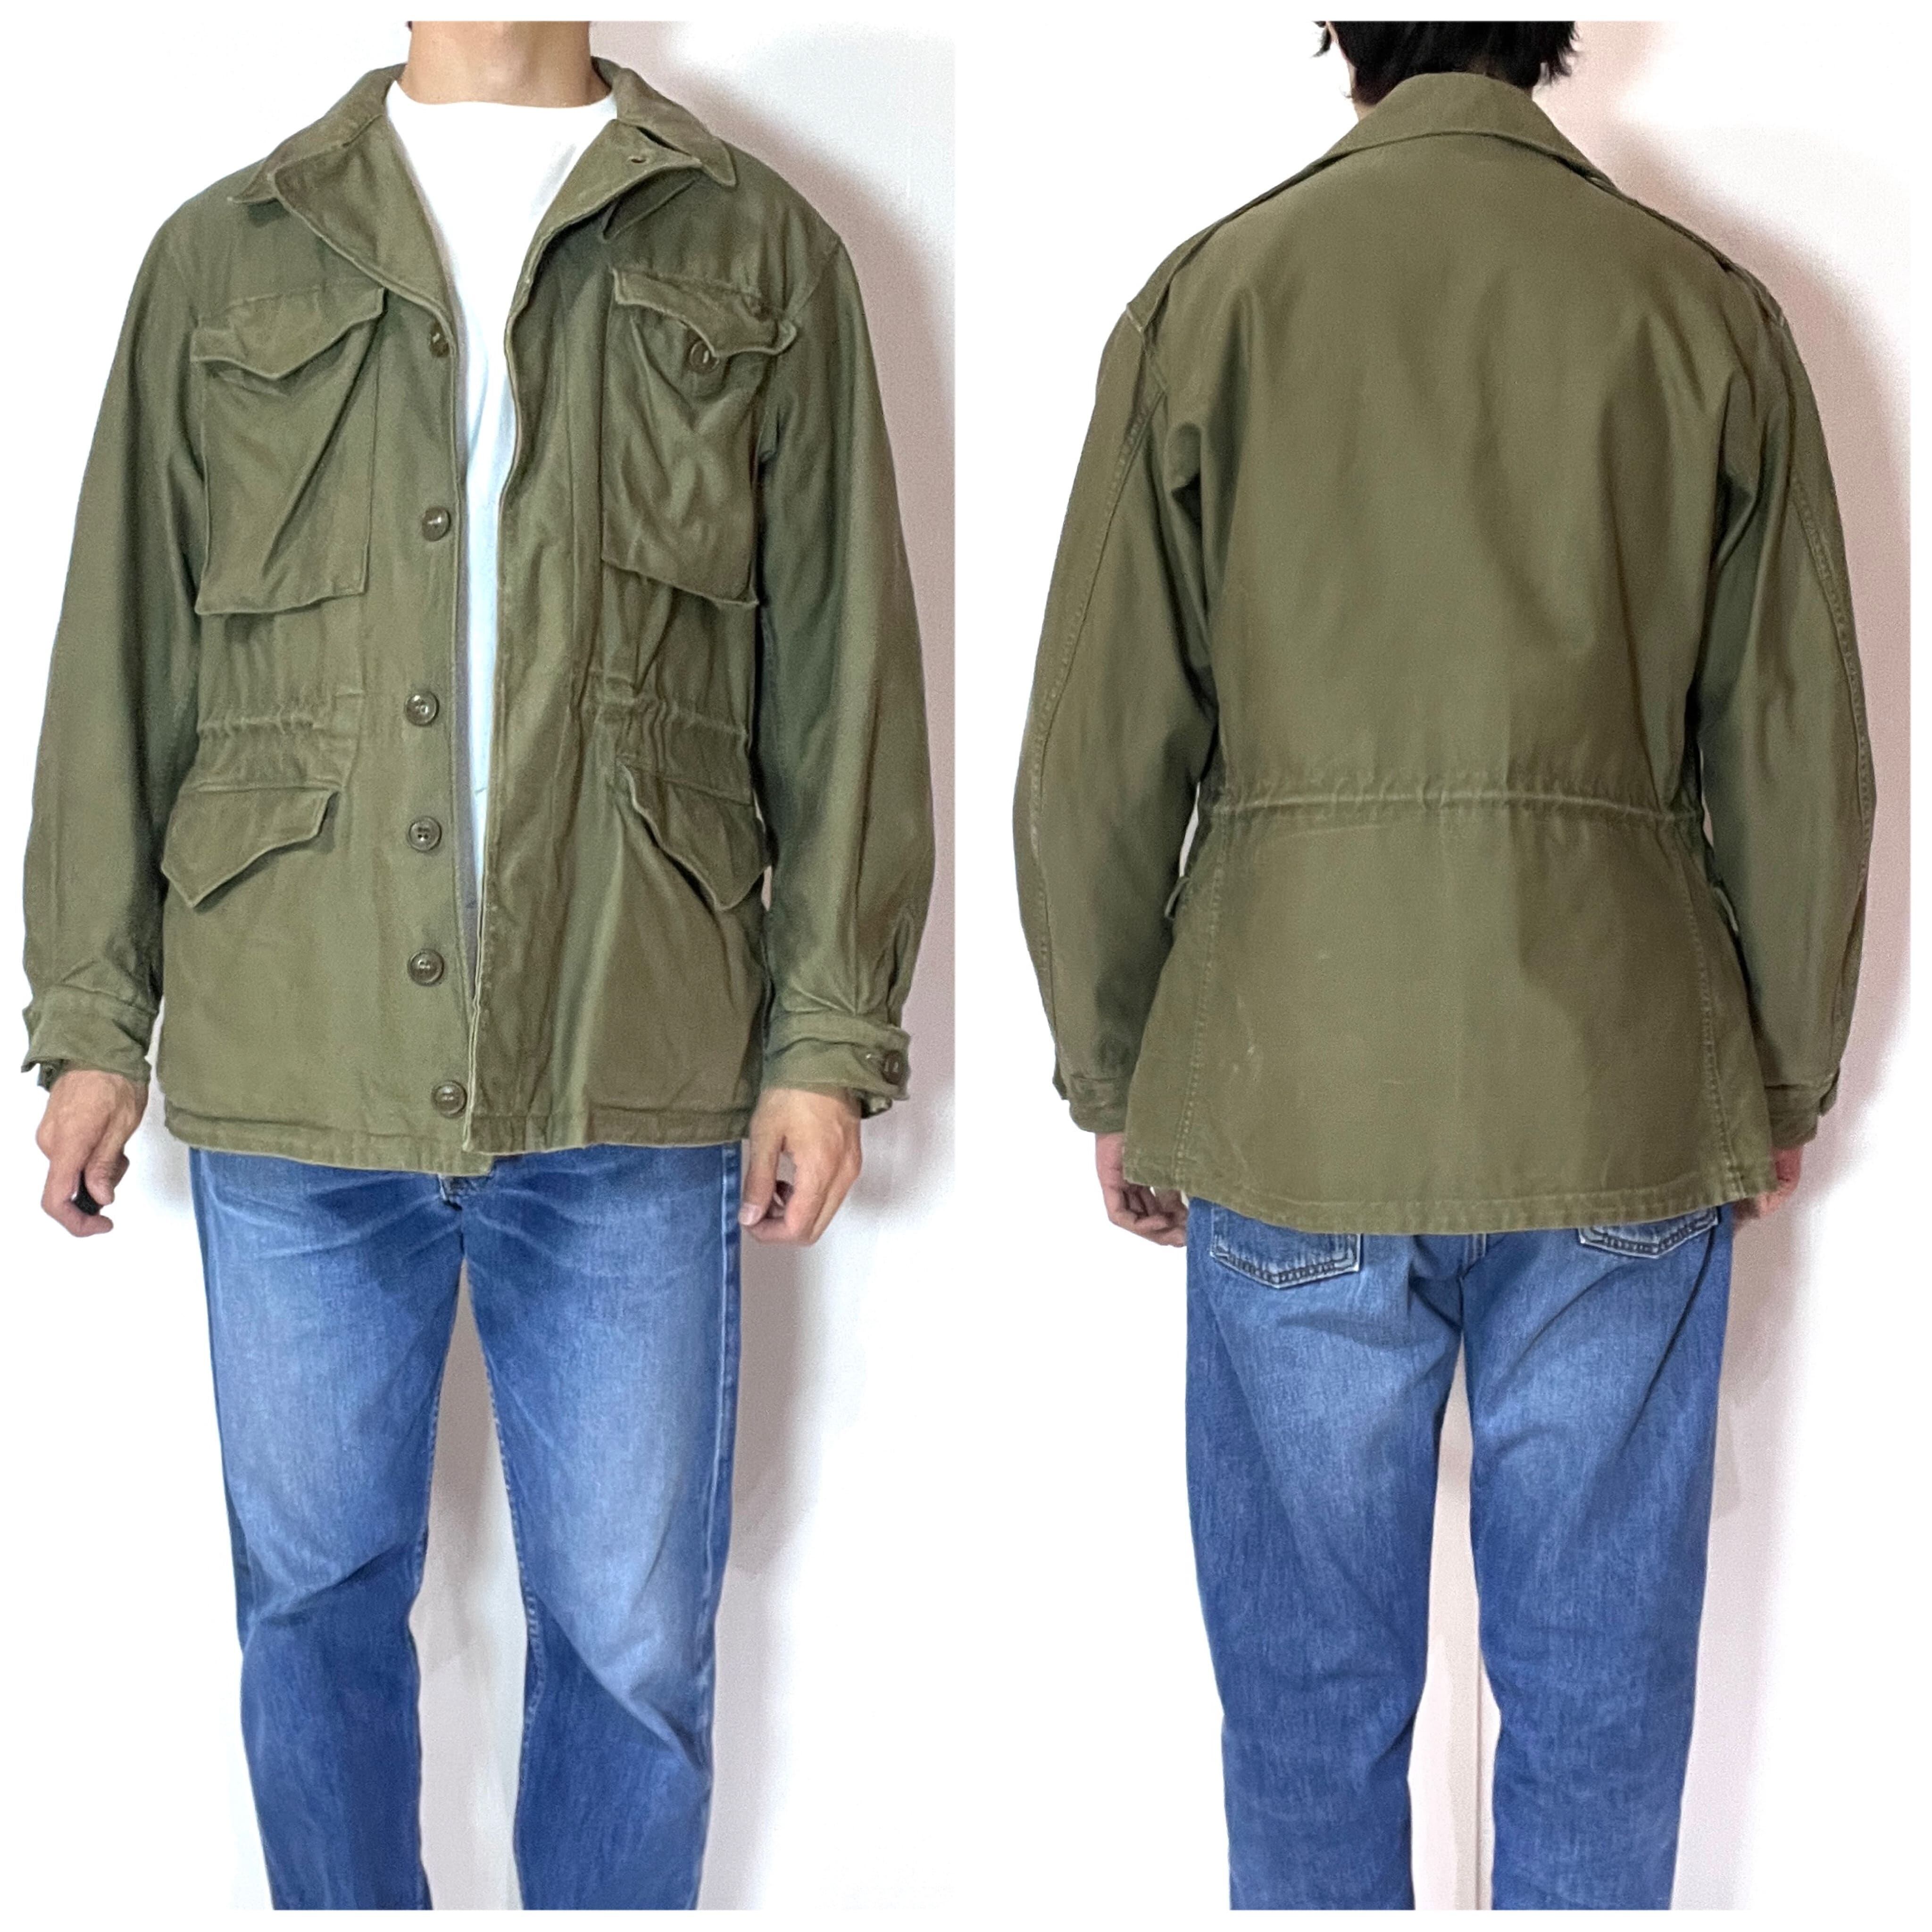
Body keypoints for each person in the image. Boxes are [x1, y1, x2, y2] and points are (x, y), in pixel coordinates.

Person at [24, 20, 932, 1911]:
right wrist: (92, 1017)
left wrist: (826, 1036)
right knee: (310, 1615)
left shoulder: (758, 248)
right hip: (300, 1049)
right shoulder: (230, 251)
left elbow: (844, 668)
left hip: (630, 1055)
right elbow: (123, 647)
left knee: (632, 1643)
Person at [1013, 20, 1871, 1912]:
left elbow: (1091, 756)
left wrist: (1117, 1071)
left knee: (1307, 1717)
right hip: (1618, 1097)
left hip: (1291, 1091)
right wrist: (1779, 1072)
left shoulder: (1212, 302)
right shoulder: (1702, 315)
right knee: (1600, 1713)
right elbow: (1800, 756)